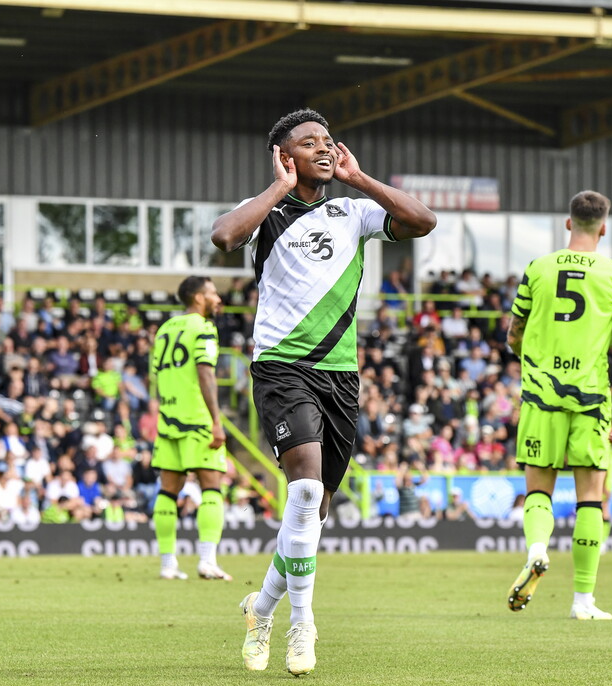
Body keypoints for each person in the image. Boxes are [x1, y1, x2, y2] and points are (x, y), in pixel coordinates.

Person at [211, 108, 436, 675]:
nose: (324, 147)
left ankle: (259, 607)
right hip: (282, 367)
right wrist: (277, 187)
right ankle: (301, 627)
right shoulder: (266, 210)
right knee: (306, 492)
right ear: (286, 157)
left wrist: (361, 179)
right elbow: (222, 237)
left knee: (313, 514)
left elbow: (423, 221)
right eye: (308, 143)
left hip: (340, 375)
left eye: (328, 140)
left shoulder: (353, 210)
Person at [504, 190, 612, 621]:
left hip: (542, 394)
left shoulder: (538, 269)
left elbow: (514, 333)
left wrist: (534, 356)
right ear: (603, 227)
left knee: (538, 489)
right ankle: (583, 601)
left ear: (568, 224)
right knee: (590, 502)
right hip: (591, 397)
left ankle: (538, 549)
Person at [149, 276, 231, 581]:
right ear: (198, 297)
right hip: (197, 419)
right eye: (212, 293)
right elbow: (205, 374)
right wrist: (216, 421)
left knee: (168, 491)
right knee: (211, 486)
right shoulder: (204, 328)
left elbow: (156, 377)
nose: (218, 298)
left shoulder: (164, 330)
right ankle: (207, 561)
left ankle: (168, 564)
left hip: (168, 419)